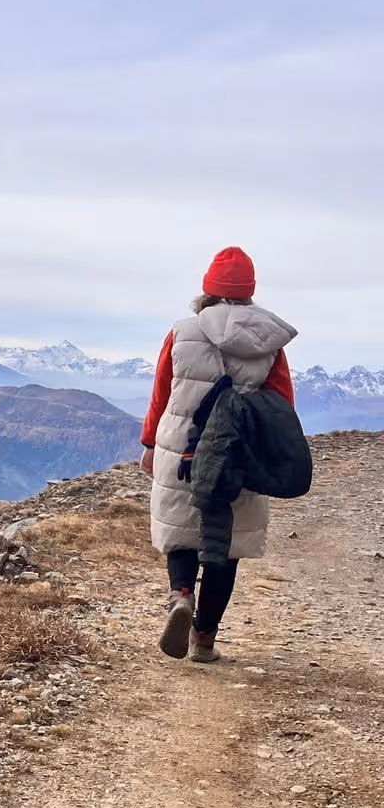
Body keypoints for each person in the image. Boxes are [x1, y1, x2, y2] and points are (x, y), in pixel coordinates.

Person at [140, 247, 297, 662]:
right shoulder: (269, 342)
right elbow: (282, 404)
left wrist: (151, 445)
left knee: (181, 530)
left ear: (207, 291)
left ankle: (180, 595)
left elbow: (161, 395)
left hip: (182, 449)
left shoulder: (181, 332)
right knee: (224, 545)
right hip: (236, 455)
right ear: (249, 294)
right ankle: (204, 640)